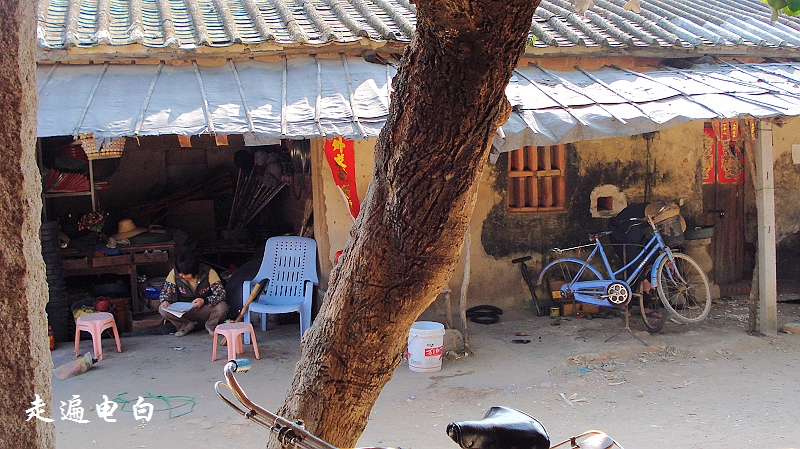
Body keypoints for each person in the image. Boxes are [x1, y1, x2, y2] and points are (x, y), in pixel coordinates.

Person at [159, 251, 229, 337]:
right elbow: (165, 292)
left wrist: (204, 300)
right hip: (184, 311)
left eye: (186, 274)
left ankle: (211, 326)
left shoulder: (208, 272)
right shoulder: (174, 273)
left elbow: (221, 294)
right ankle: (185, 326)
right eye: (180, 274)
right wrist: (165, 300)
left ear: (194, 270)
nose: (182, 276)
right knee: (162, 309)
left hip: (205, 308)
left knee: (222, 307)